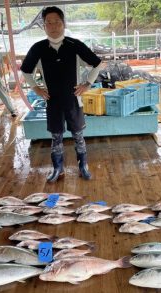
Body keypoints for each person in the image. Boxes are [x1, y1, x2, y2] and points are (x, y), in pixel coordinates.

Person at [21, 6, 102, 182]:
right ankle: (58, 168)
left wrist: (87, 84)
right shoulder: (38, 48)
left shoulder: (75, 45)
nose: (53, 26)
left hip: (74, 99)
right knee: (56, 136)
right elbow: (25, 71)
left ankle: (83, 166)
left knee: (78, 135)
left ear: (63, 23)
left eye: (56, 21)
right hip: (52, 100)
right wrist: (36, 88)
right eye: (48, 23)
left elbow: (97, 64)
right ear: (44, 26)